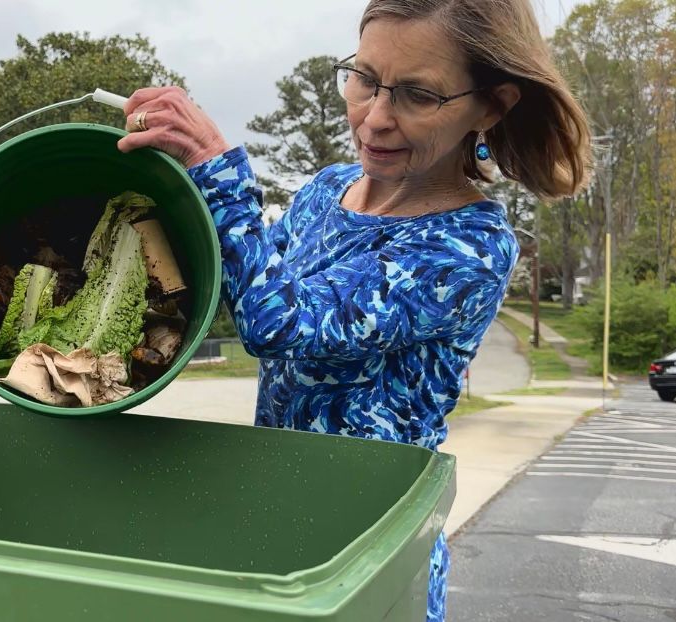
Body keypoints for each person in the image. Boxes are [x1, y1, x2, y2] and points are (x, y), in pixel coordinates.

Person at [116, 0, 591, 619]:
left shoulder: (467, 246)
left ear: (492, 105)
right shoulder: (325, 190)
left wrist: (217, 168)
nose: (375, 119)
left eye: (418, 95)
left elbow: (278, 322)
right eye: (364, 79)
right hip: (279, 536)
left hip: (370, 555)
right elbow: (248, 280)